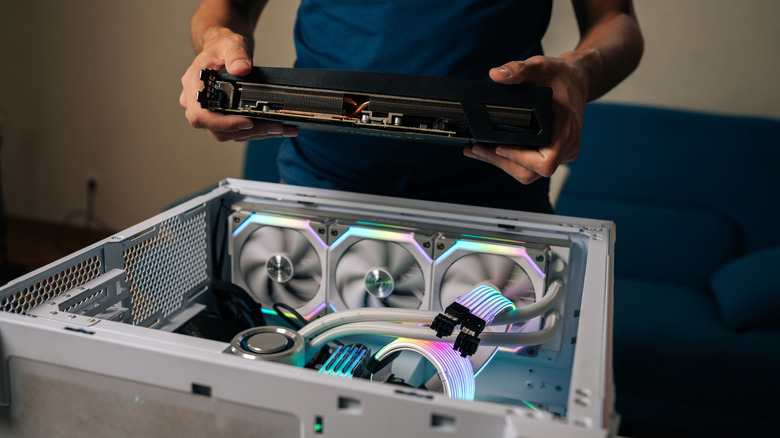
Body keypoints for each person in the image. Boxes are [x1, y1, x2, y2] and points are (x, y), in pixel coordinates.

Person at [180, 0, 643, 213]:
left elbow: (614, 19)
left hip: (493, 202)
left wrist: (580, 71)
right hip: (317, 191)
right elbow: (224, 7)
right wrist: (216, 42)